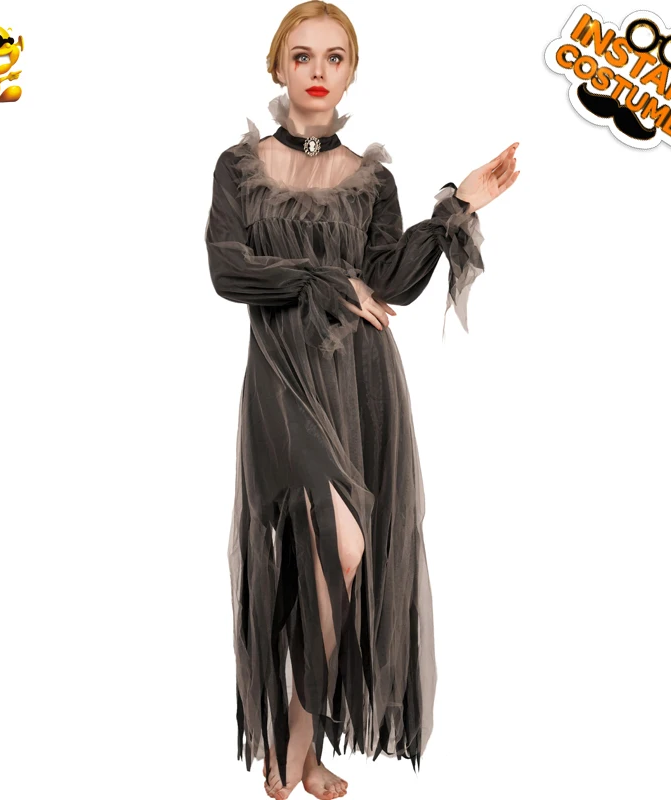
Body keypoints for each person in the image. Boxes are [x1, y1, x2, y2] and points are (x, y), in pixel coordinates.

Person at [205, 3, 519, 798]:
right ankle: (291, 746)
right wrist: (319, 277)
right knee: (337, 547)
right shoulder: (238, 168)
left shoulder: (371, 179)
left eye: (335, 57)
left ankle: (299, 750)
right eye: (302, 56)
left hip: (361, 380)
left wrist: (460, 205)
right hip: (283, 377)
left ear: (350, 71)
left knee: (336, 560)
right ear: (278, 66)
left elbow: (388, 284)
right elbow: (227, 271)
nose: (318, 71)